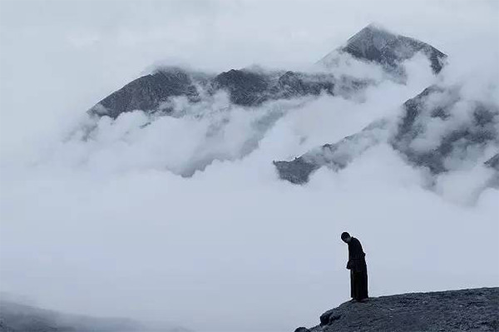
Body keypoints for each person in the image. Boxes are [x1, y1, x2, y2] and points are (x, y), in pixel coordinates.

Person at [341, 232, 368, 302]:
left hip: (360, 265)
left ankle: (362, 297)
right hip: (355, 265)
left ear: (348, 237)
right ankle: (355, 296)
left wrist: (353, 263)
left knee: (361, 280)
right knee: (354, 281)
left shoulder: (355, 242)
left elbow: (359, 254)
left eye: (345, 240)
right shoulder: (350, 244)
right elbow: (351, 255)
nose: (345, 242)